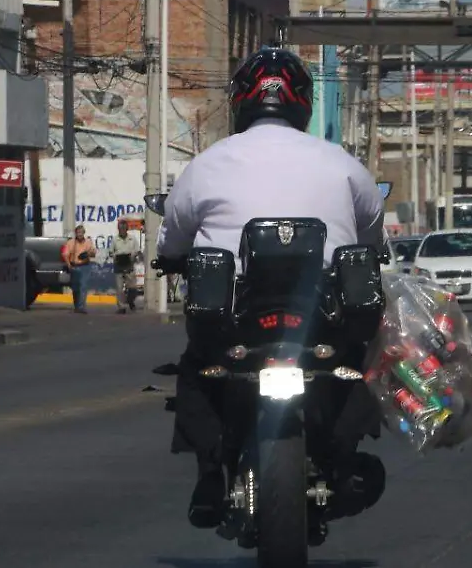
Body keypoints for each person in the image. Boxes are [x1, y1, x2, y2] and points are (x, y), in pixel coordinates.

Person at [156, 45, 386, 530]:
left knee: (198, 368)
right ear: (302, 102)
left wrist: (172, 258)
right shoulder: (342, 164)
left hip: (235, 318)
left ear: (242, 100)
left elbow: (172, 238)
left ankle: (209, 473)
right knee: (362, 363)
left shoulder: (207, 164)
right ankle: (341, 455)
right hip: (322, 316)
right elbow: (372, 237)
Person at [63, 224, 96, 314]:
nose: (80, 234)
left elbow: (93, 252)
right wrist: (68, 265)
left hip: (85, 266)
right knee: (76, 288)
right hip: (74, 267)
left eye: (81, 232)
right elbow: (65, 254)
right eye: (78, 233)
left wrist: (89, 254)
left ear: (84, 233)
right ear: (75, 233)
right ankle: (77, 306)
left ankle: (81, 307)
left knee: (83, 286)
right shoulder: (71, 243)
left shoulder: (88, 242)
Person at [111, 219, 138, 313]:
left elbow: (136, 250)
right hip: (119, 265)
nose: (122, 230)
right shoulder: (115, 239)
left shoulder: (132, 239)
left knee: (133, 288)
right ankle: (121, 307)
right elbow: (111, 252)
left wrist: (131, 256)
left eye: (123, 228)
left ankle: (130, 301)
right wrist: (116, 256)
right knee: (119, 288)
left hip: (129, 265)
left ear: (127, 229)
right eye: (120, 228)